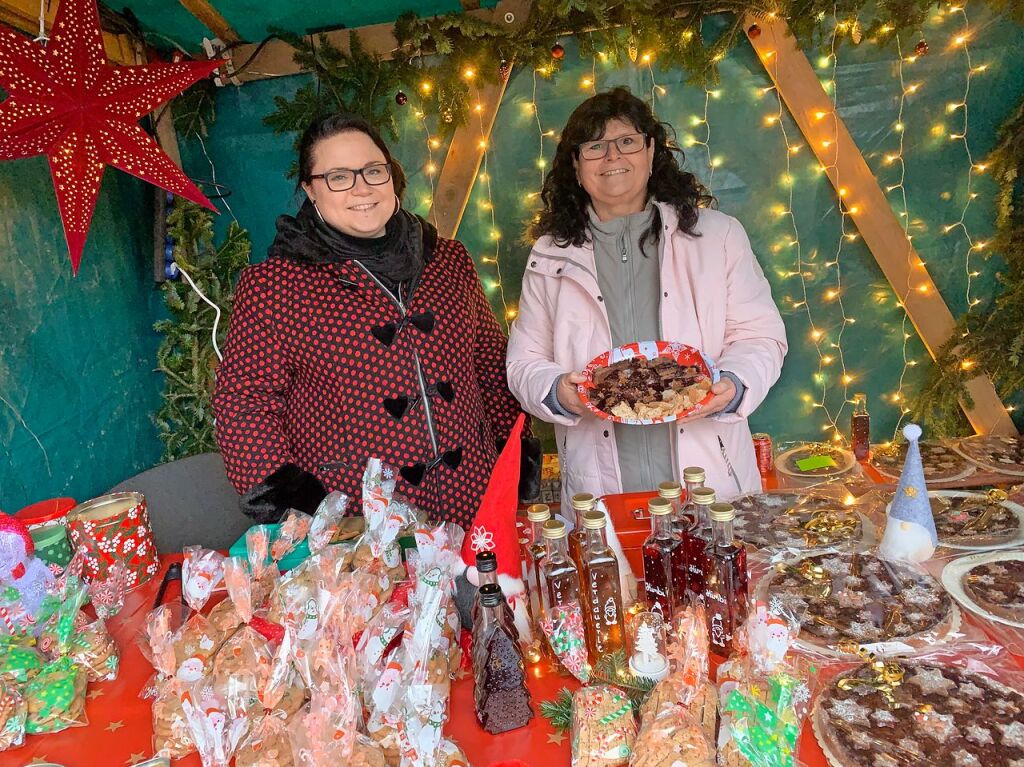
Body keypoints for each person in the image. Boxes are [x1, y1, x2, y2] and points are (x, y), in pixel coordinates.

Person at [213, 113, 527, 527]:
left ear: (391, 177)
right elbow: (243, 401)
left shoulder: (448, 260)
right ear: (310, 188)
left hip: (475, 497)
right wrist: (300, 504)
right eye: (339, 176)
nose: (362, 188)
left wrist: (515, 455)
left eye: (373, 171)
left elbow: (488, 361)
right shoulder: (276, 285)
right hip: (360, 522)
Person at [507, 88, 787, 503]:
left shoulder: (718, 236)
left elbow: (761, 337)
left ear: (651, 150)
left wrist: (734, 383)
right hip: (599, 488)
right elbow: (524, 361)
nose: (612, 157)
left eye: (627, 142)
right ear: (575, 164)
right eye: (594, 147)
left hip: (710, 476)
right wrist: (558, 393)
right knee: (611, 568)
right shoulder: (550, 255)